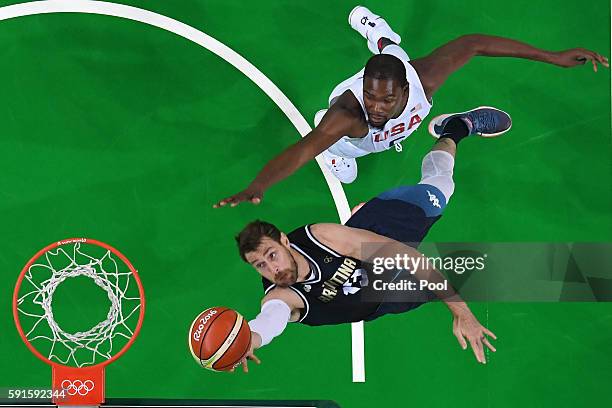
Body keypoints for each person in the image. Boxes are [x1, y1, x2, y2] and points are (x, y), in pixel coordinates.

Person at [214, 5, 608, 208]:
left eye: (386, 98)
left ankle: (377, 32)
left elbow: (475, 42)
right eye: (371, 95)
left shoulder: (424, 78)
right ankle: (378, 42)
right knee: (344, 172)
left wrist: (552, 55)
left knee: (395, 52)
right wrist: (259, 184)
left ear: (406, 89)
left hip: (402, 77)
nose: (377, 106)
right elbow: (302, 150)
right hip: (346, 143)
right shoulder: (349, 116)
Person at [232, 111, 499, 372]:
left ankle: (456, 127)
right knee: (470, 273)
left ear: (284, 241)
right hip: (381, 297)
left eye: (271, 255)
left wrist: (462, 314)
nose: (272, 269)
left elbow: (407, 257)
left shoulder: (322, 237)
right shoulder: (281, 297)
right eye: (259, 265)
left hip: (382, 230)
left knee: (441, 187)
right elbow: (269, 321)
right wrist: (247, 341)